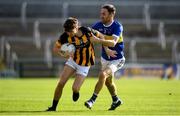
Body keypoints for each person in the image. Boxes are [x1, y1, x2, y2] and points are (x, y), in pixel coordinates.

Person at [46, 17, 116, 111]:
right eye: (67, 31)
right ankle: (53, 107)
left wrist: (106, 49)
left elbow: (101, 36)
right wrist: (64, 54)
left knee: (75, 88)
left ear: (77, 27)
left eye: (71, 31)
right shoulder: (65, 36)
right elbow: (56, 49)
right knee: (61, 83)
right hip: (73, 61)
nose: (69, 33)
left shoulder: (87, 31)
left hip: (85, 65)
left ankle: (76, 92)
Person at [85, 4, 125, 110]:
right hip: (105, 58)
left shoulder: (117, 26)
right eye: (100, 13)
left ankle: (92, 100)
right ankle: (116, 100)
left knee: (102, 75)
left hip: (117, 59)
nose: (101, 16)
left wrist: (98, 41)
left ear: (112, 14)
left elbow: (113, 42)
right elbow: (88, 35)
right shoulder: (98, 25)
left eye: (104, 14)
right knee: (108, 82)